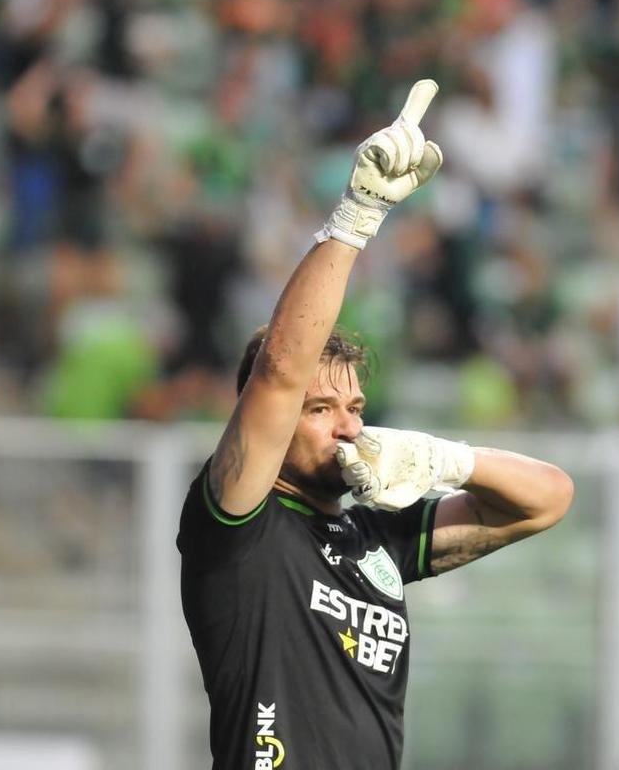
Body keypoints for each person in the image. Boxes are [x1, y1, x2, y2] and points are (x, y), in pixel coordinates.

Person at [177, 80, 575, 770]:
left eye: (355, 409)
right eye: (320, 408)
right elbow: (279, 371)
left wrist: (442, 460)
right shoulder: (238, 525)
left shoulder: (375, 537)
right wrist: (357, 216)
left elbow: (548, 498)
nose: (345, 428)